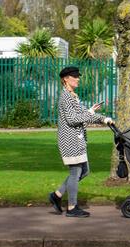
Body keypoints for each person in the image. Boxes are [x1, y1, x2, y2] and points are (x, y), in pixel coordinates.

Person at [48, 66, 114, 218]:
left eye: (78, 76)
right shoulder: (66, 96)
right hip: (70, 140)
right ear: (66, 79)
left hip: (77, 140)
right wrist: (101, 119)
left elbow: (80, 115)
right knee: (76, 172)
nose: (78, 79)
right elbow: (72, 119)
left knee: (84, 171)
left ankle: (57, 195)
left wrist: (91, 112)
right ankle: (72, 208)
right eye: (74, 76)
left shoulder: (73, 96)